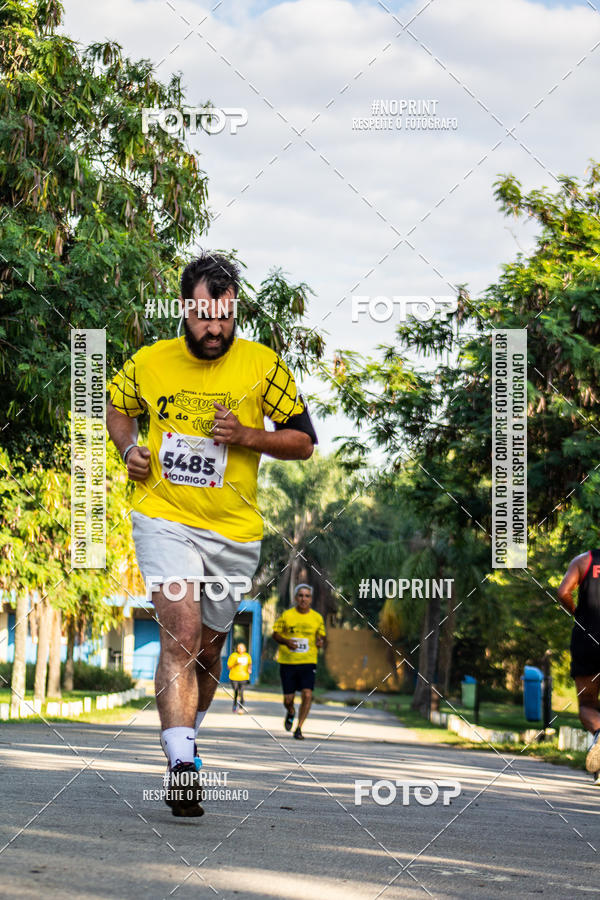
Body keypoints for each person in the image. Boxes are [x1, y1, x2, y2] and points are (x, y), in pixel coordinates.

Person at [106, 253, 317, 816]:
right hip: (164, 517)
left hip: (234, 532)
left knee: (207, 653)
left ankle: (188, 738)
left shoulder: (264, 365)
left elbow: (303, 442)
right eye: (204, 316)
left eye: (226, 317)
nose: (215, 330)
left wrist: (247, 434)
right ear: (184, 308)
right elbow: (116, 408)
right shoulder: (151, 362)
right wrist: (130, 448)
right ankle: (180, 766)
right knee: (180, 632)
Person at [557, 549, 600, 779]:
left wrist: (577, 614)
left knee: (587, 705)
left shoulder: (584, 561)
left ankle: (599, 733)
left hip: (587, 640)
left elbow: (563, 592)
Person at [273, 584, 326, 740]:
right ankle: (291, 712)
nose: (304, 599)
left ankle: (299, 728)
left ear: (311, 599)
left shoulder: (317, 617)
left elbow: (321, 635)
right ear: (296, 598)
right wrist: (286, 641)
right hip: (288, 662)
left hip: (308, 661)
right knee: (288, 700)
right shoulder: (287, 616)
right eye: (301, 595)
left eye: (307, 596)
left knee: (307, 694)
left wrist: (320, 641)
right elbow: (275, 634)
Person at [228, 642, 251, 713]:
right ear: (237, 649)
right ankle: (234, 705)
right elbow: (229, 667)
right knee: (236, 692)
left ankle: (241, 707)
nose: (240, 649)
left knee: (241, 693)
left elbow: (250, 664)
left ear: (245, 649)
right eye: (239, 648)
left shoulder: (247, 656)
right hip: (234, 677)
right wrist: (236, 663)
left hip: (244, 677)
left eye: (242, 648)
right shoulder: (233, 656)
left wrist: (249, 669)